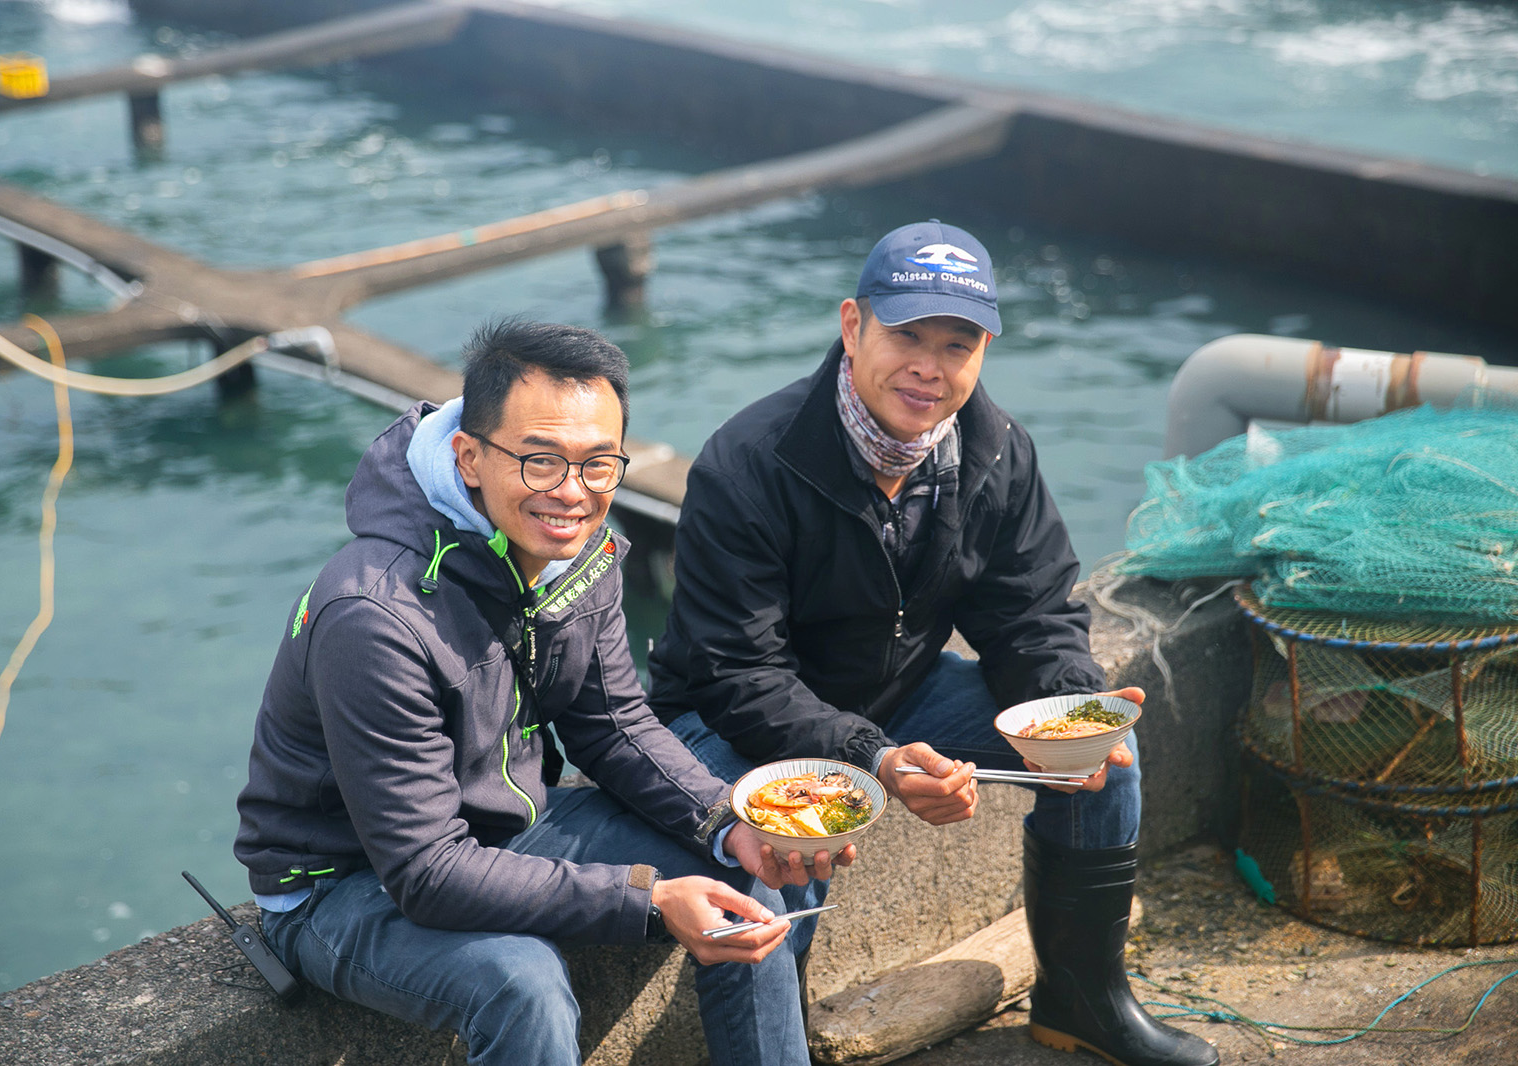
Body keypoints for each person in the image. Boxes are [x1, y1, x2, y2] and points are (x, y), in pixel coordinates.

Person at [648, 221, 1218, 1066]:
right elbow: (740, 674)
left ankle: (1083, 1003)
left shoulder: (996, 450)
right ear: (852, 326)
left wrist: (1073, 705)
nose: (929, 365)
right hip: (725, 720)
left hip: (894, 695)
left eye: (957, 343)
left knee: (1103, 753)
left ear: (983, 352)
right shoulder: (748, 462)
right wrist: (873, 758)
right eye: (906, 334)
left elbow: (1030, 615)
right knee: (780, 846)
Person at [234, 318, 844, 1066]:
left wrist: (727, 822)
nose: (573, 495)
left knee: (741, 866)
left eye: (598, 464)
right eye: (539, 461)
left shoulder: (577, 550)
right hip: (343, 880)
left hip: (498, 825)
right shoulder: (375, 616)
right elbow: (425, 873)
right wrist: (648, 899)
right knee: (521, 984)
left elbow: (614, 723)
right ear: (469, 459)